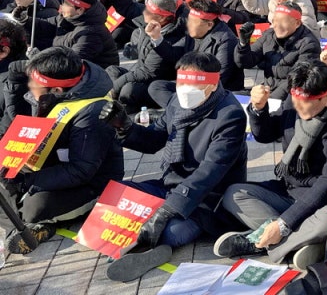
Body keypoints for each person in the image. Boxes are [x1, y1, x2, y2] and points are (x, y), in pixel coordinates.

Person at [99, 52, 248, 282]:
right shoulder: (177, 101)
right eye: (181, 81)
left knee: (170, 231)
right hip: (170, 184)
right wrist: (124, 126)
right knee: (113, 195)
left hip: (205, 201)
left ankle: (154, 247)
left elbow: (209, 173)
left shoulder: (230, 115)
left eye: (192, 83)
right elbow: (154, 139)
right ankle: (145, 241)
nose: (184, 89)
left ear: (212, 83)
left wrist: (167, 210)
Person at [215, 62, 327, 266]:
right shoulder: (293, 104)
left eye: (305, 101)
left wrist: (283, 224)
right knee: (234, 194)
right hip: (291, 192)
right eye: (295, 99)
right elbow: (265, 134)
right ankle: (298, 243)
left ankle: (259, 242)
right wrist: (258, 108)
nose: (297, 106)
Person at [1, 47, 123, 255]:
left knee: (33, 207)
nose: (29, 87)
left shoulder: (92, 112)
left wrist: (27, 181)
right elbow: (15, 126)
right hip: (50, 166)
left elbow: (82, 170)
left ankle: (40, 223)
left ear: (57, 90)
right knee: (6, 189)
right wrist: (13, 79)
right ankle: (27, 218)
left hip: (92, 183)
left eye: (34, 84)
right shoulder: (51, 93)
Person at [108, 0, 184, 113]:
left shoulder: (171, 39)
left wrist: (115, 87)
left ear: (162, 17)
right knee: (112, 70)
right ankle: (115, 100)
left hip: (154, 82)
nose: (143, 13)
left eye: (148, 12)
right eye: (145, 9)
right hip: (139, 74)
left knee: (128, 89)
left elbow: (146, 72)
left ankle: (122, 109)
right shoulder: (146, 26)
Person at [234, 2, 321, 101]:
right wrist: (243, 44)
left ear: (297, 23)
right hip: (267, 90)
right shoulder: (269, 35)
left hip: (289, 98)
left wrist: (269, 100)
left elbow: (296, 80)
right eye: (274, 21)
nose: (277, 25)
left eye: (283, 21)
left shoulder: (309, 44)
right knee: (232, 98)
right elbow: (245, 63)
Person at [29, 0, 120, 68]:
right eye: (63, 2)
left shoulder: (91, 34)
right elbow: (46, 25)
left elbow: (72, 65)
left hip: (93, 79)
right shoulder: (67, 17)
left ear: (80, 10)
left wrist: (40, 59)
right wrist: (24, 20)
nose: (62, 7)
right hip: (66, 62)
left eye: (67, 4)